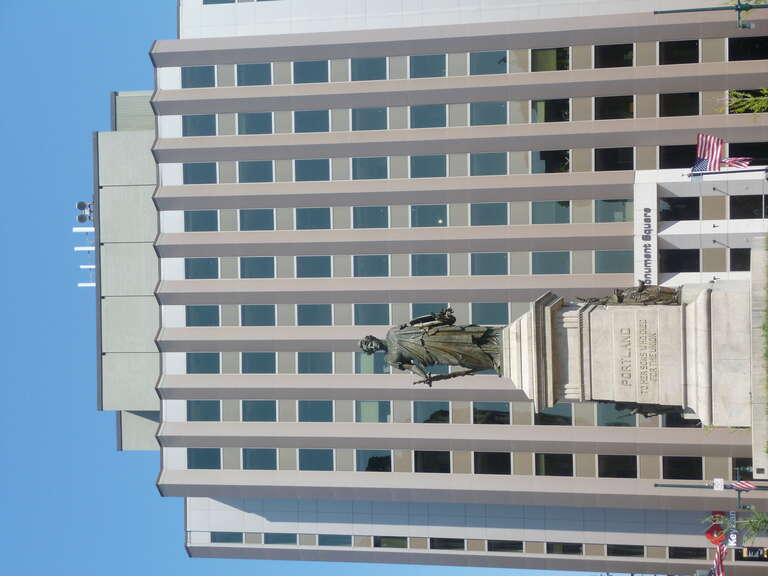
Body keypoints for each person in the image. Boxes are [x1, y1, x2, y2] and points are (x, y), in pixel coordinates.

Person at [359, 308, 502, 386]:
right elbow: (412, 367)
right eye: (370, 348)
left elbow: (414, 323)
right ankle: (492, 359)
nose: (372, 346)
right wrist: (425, 375)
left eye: (370, 343)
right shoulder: (390, 359)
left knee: (462, 338)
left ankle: (494, 338)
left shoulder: (392, 332)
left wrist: (436, 318)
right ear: (373, 352)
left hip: (431, 337)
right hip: (431, 355)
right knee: (461, 357)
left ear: (373, 338)